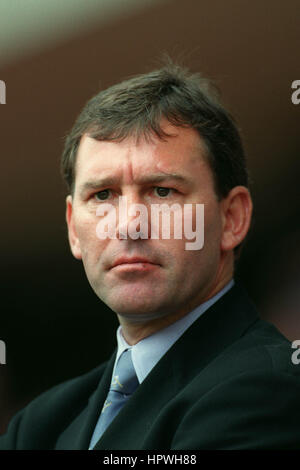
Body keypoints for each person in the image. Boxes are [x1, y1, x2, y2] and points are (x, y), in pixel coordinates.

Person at [1, 60, 300, 450]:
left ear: (232, 219)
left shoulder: (268, 389)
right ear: (74, 228)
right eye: (103, 195)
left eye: (162, 191)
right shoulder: (41, 424)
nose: (129, 225)